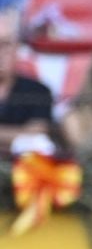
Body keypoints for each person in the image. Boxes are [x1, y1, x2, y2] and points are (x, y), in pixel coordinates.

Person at [0, 10, 55, 150]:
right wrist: (16, 136)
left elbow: (36, 136)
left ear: (17, 47)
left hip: (22, 169)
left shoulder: (38, 91)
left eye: (5, 44)